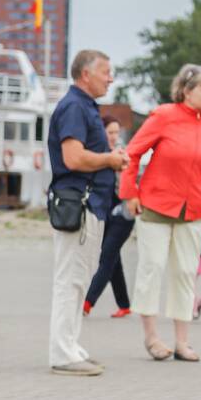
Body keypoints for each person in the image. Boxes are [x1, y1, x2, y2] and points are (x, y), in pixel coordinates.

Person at [120, 64, 201, 361]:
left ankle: (182, 341)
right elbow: (132, 153)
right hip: (155, 205)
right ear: (186, 91)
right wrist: (130, 192)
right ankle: (152, 337)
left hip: (194, 209)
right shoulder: (164, 116)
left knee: (184, 272)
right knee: (152, 268)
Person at [46, 50, 129, 376]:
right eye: (106, 71)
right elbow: (74, 158)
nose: (110, 78)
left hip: (89, 204)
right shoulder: (74, 106)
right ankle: (62, 353)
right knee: (70, 280)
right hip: (78, 204)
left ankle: (70, 345)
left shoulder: (84, 106)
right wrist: (109, 160)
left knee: (79, 279)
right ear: (85, 74)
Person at [84, 114, 133, 318]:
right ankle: (124, 305)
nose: (113, 136)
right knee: (114, 259)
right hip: (106, 213)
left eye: (116, 132)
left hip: (124, 215)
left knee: (106, 257)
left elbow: (129, 183)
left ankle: (86, 303)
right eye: (110, 132)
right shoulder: (100, 155)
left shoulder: (122, 155)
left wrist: (121, 168)